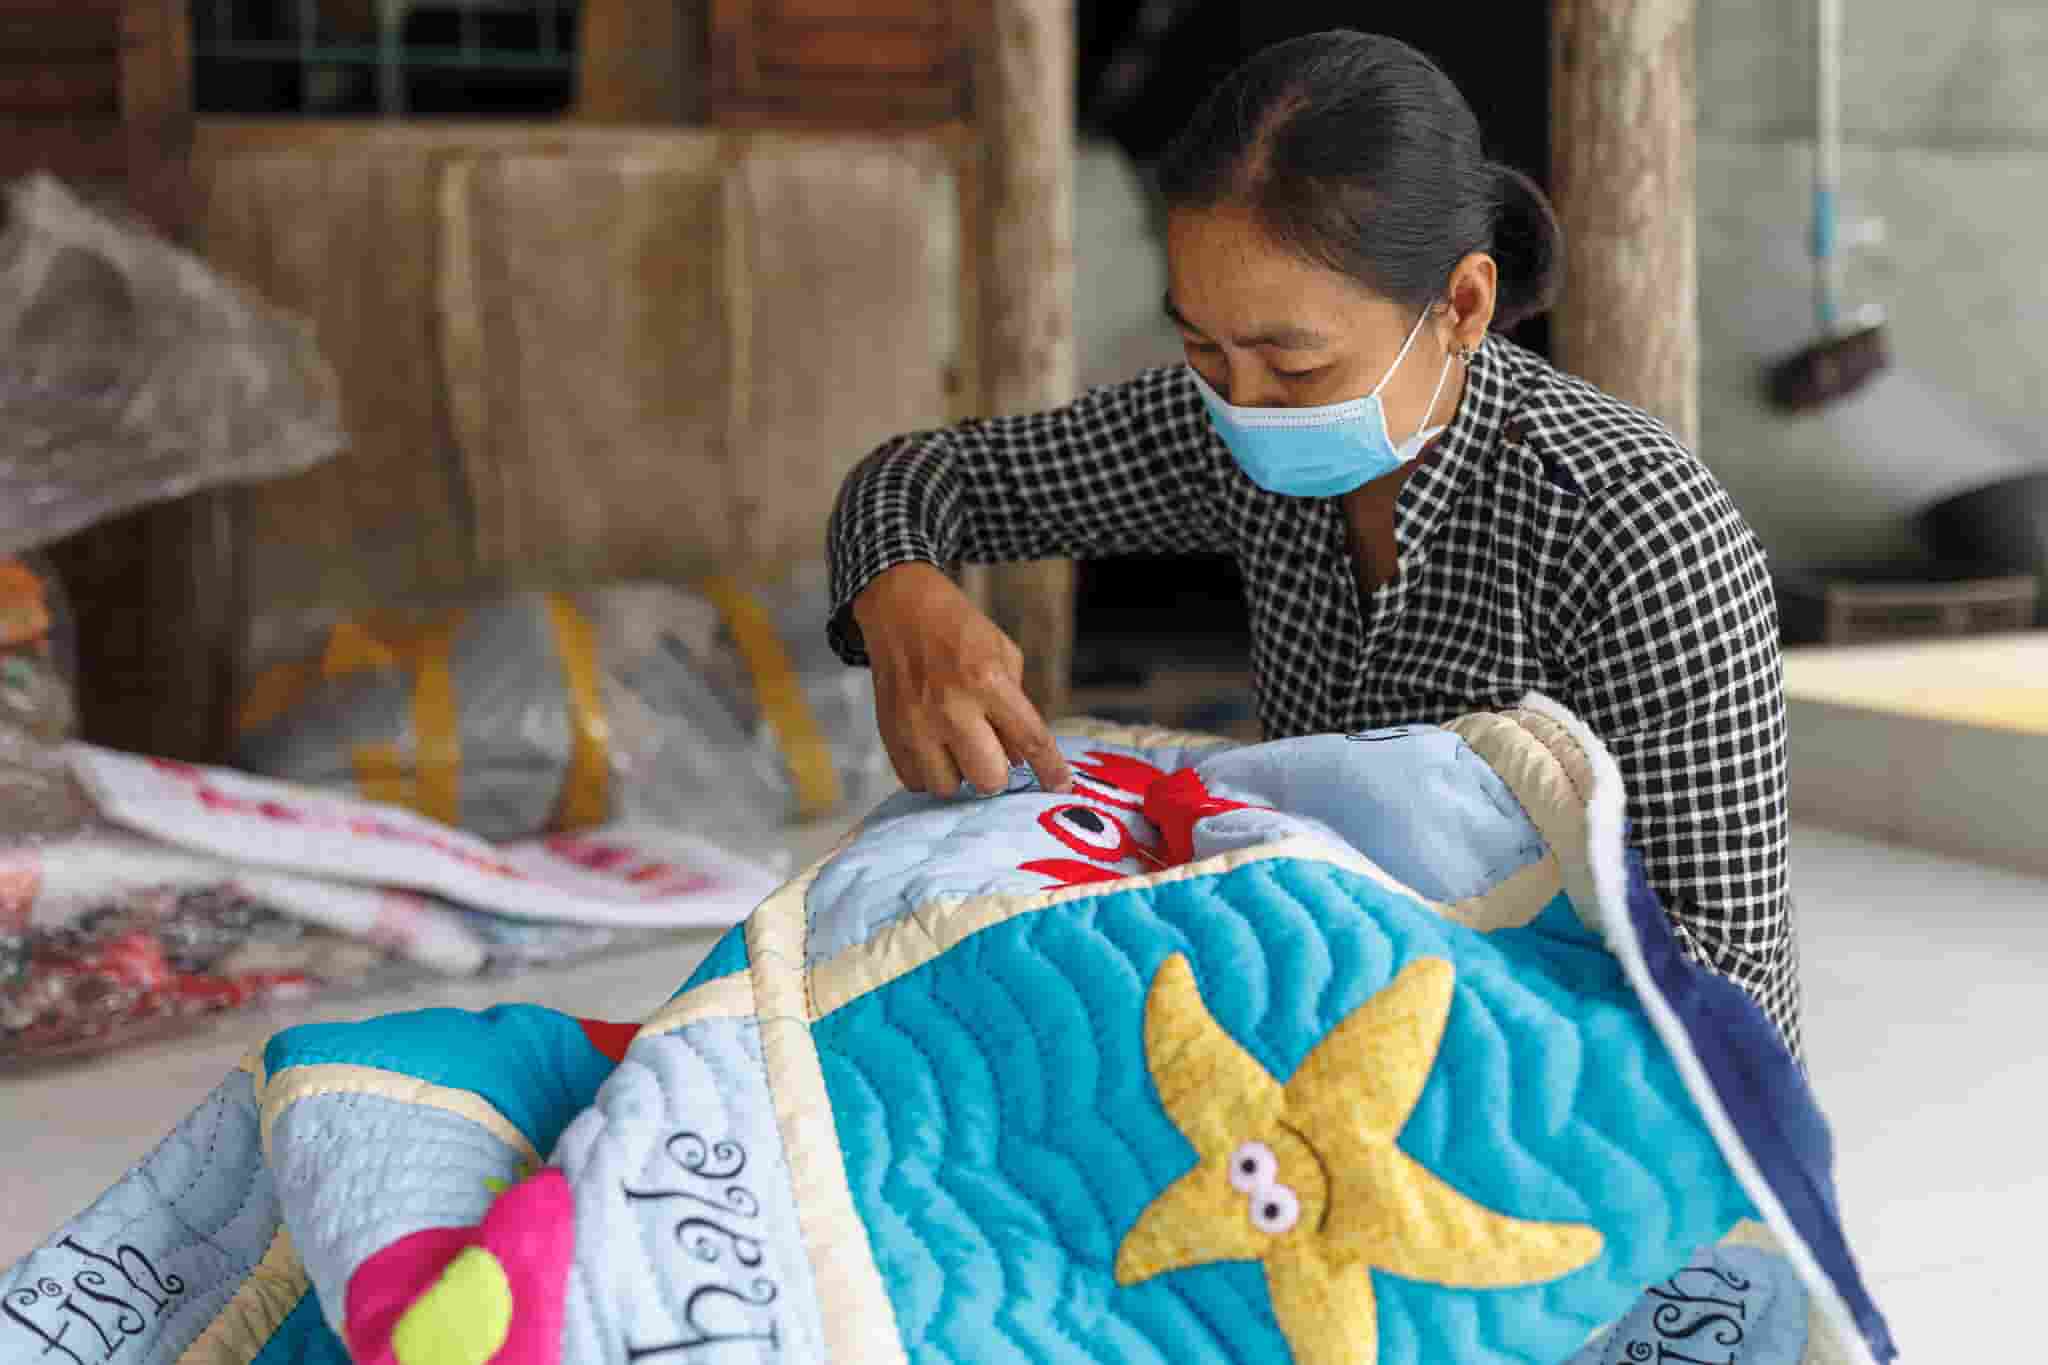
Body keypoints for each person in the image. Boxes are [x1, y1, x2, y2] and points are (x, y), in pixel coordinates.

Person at [824, 31, 1799, 1056]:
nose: (1241, 403)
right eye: (1200, 345)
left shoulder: (1633, 527)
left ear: (1460, 307)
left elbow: (1720, 985)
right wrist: (904, 596)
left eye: (1294, 366)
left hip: (1561, 1051)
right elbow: (922, 476)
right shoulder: (1219, 433)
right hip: (1317, 974)